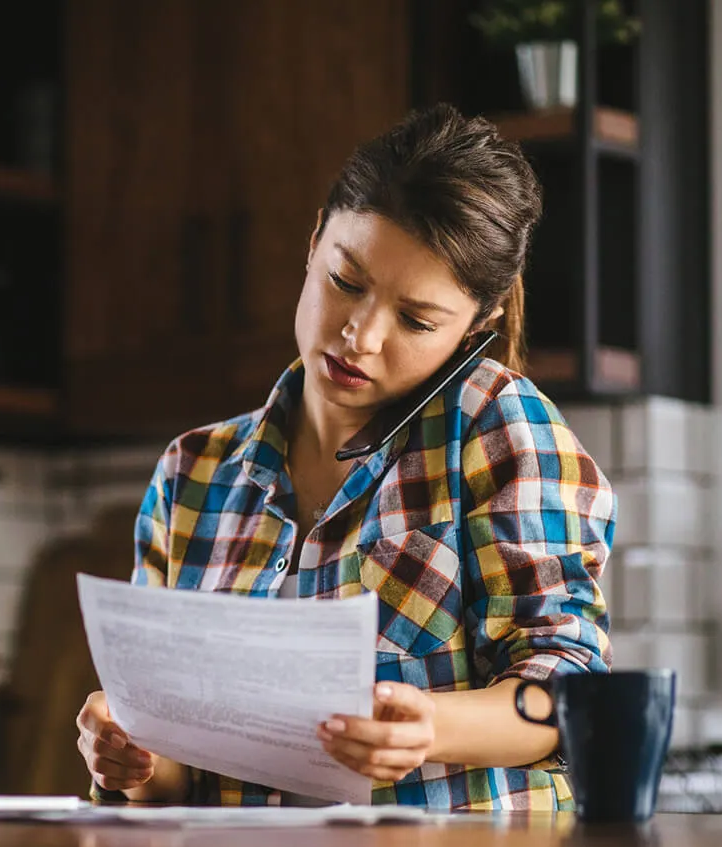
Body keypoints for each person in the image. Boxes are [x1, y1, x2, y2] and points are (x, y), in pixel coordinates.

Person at [75, 103, 616, 811]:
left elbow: (570, 685)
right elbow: (177, 771)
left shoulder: (495, 425)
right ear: (313, 243)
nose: (360, 335)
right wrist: (130, 755)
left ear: (475, 328)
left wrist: (432, 728)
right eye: (345, 281)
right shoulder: (191, 472)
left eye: (416, 319)